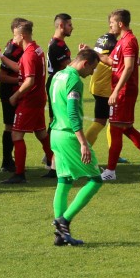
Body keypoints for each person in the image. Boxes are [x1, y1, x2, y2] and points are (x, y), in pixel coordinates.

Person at [50, 48, 104, 247]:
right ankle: (64, 220)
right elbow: (73, 113)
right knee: (96, 179)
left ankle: (60, 235)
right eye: (92, 68)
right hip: (69, 135)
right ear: (84, 63)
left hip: (55, 133)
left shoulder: (58, 75)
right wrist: (83, 143)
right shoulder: (74, 80)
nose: (92, 73)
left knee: (63, 181)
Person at [103, 9, 140, 180]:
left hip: (123, 91)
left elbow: (129, 67)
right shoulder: (122, 41)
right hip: (122, 90)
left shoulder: (128, 41)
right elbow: (113, 62)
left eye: (112, 23)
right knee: (126, 127)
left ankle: (110, 171)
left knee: (115, 128)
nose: (110, 26)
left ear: (120, 24)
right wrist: (94, 54)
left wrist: (115, 91)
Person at [2, 19, 55, 184]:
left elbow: (29, 81)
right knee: (41, 133)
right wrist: (0, 56)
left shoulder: (29, 54)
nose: (13, 40)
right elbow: (21, 68)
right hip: (38, 98)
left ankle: (19, 174)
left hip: (29, 100)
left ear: (22, 35)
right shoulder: (37, 50)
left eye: (15, 36)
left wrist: (15, 95)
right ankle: (55, 167)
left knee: (17, 135)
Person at [0, 18, 26, 172]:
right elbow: (0, 77)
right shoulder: (11, 50)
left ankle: (10, 159)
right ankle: (6, 161)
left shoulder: (20, 48)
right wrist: (20, 81)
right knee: (10, 126)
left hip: (16, 92)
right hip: (9, 92)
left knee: (16, 126)